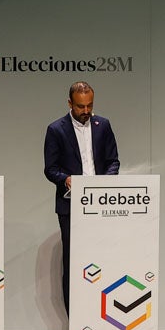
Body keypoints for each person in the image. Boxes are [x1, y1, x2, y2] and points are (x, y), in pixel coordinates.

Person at [43, 81, 121, 315]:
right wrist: (66, 179)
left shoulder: (103, 125)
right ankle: (76, 321)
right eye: (80, 107)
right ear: (70, 103)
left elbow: (113, 161)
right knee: (74, 263)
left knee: (104, 259)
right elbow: (50, 168)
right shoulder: (56, 129)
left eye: (89, 106)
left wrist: (104, 182)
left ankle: (102, 316)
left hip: (101, 206)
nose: (86, 111)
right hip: (70, 207)